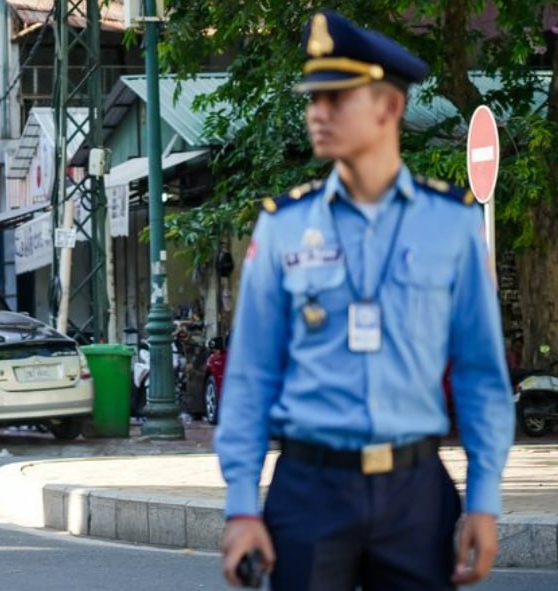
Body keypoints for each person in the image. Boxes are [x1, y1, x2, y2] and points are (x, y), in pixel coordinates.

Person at [216, 11, 514, 590]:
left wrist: (484, 501)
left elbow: (481, 374)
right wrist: (240, 508)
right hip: (307, 490)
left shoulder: (451, 224)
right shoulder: (282, 227)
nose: (316, 113)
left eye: (336, 98)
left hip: (416, 493)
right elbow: (251, 376)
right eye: (313, 99)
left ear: (389, 107)